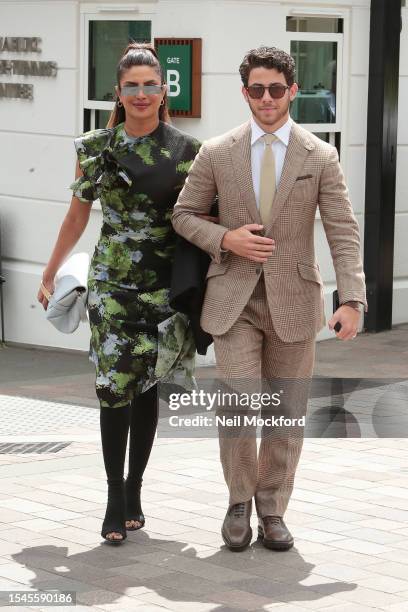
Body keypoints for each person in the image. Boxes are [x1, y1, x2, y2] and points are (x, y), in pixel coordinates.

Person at [172, 46, 367, 552]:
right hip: (232, 298)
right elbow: (184, 214)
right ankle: (239, 501)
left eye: (275, 89)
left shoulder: (320, 155)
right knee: (239, 401)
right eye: (256, 89)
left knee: (284, 410)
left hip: (295, 300)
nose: (266, 98)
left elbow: (343, 231)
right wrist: (226, 239)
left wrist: (352, 299)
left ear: (293, 91)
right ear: (245, 93)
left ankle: (272, 508)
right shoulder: (216, 151)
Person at [38, 43, 202, 544]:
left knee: (148, 389)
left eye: (150, 85)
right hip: (111, 286)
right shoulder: (94, 148)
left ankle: (135, 489)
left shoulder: (188, 151)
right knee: (113, 390)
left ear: (164, 90)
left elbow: (199, 220)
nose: (141, 94)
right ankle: (113, 499)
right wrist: (48, 273)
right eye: (131, 85)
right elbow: (77, 215)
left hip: (162, 286)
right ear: (118, 92)